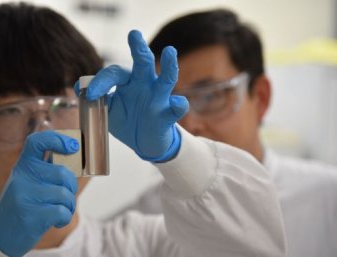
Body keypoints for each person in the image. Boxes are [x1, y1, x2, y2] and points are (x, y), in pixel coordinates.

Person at [0, 3, 286, 257]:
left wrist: (176, 151)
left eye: (62, 106)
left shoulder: (150, 243)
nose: (41, 133)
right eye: (9, 112)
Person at [118, 9, 337, 257]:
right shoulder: (141, 219)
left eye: (211, 95)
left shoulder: (328, 198)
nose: (189, 124)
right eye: (167, 102)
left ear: (261, 97)